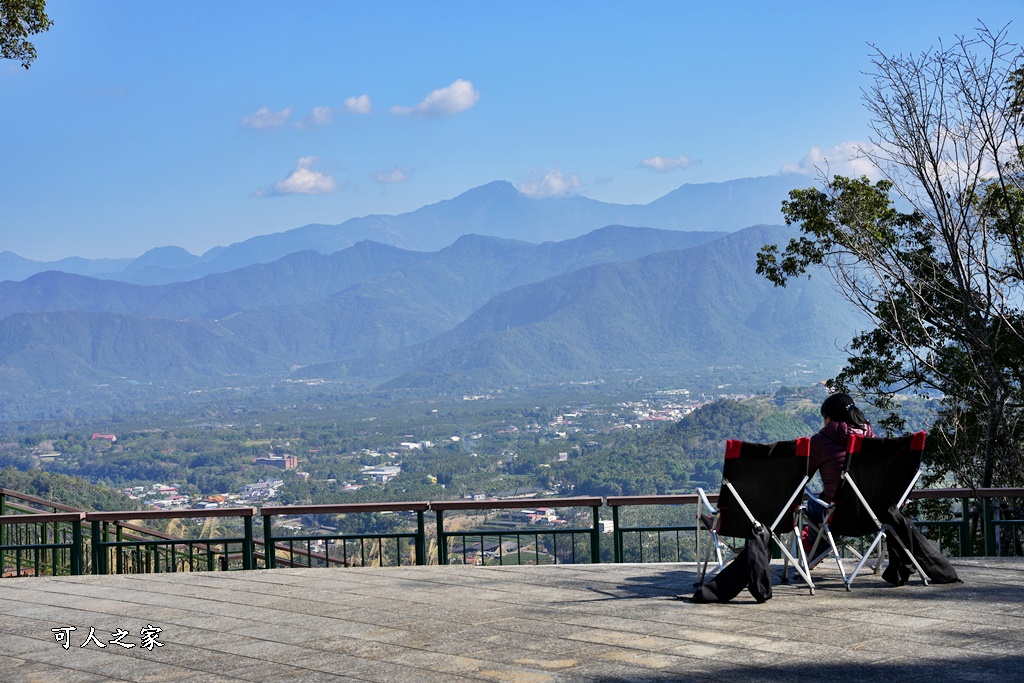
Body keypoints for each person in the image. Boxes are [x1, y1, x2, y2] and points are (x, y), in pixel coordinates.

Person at [802, 393, 875, 554]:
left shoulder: (821, 440)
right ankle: (814, 553)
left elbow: (801, 477)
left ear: (829, 419)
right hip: (874, 513)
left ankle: (812, 552)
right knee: (825, 506)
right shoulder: (872, 438)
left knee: (812, 506)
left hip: (840, 516)